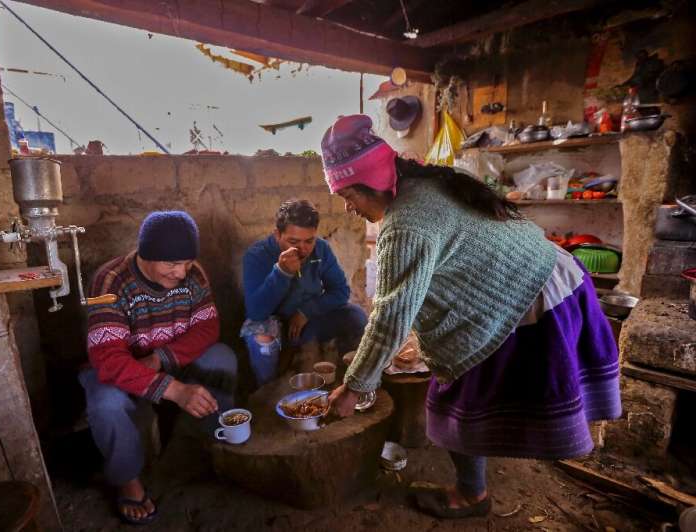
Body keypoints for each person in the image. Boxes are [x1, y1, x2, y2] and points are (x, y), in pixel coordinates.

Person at [322, 115, 621, 518]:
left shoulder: (405, 222)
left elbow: (389, 316)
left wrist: (353, 387)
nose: (347, 205)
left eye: (347, 194)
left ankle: (471, 496)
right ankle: (473, 491)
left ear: (370, 183)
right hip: (549, 276)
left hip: (532, 298)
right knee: (459, 396)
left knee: (454, 402)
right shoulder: (424, 184)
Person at [82, 210, 237, 525]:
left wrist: (161, 360)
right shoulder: (110, 280)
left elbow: (207, 329)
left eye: (187, 262)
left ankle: (213, 442)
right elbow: (108, 359)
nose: (181, 273)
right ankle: (128, 479)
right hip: (123, 368)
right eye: (171, 264)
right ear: (145, 255)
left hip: (169, 358)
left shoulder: (193, 275)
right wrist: (174, 390)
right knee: (106, 403)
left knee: (222, 358)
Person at [241, 199, 367, 386]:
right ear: (277, 235)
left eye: (309, 241)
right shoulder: (257, 255)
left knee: (356, 316)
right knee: (259, 335)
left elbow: (340, 291)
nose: (303, 249)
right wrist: (282, 273)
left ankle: (346, 381)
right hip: (277, 323)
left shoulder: (320, 249)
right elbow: (256, 313)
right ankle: (268, 391)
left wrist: (306, 311)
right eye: (293, 241)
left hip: (309, 321)